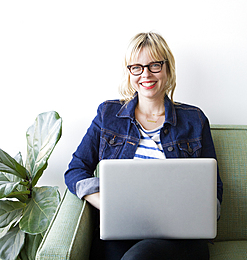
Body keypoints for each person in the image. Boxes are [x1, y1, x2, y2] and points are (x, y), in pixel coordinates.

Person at [65, 32, 223, 260]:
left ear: (167, 68)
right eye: (136, 67)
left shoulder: (195, 119)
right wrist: (108, 203)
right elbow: (76, 170)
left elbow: (213, 189)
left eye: (154, 65)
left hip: (181, 240)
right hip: (122, 232)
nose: (146, 74)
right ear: (129, 73)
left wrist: (198, 214)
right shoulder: (107, 115)